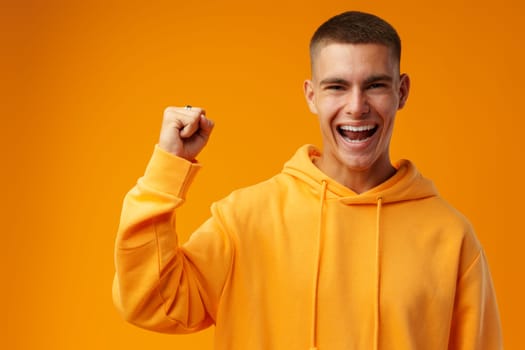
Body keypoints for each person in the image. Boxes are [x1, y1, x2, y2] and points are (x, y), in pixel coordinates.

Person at [113, 11, 503, 350]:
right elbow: (149, 302)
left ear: (401, 92)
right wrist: (168, 168)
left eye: (375, 85)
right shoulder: (244, 221)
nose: (356, 106)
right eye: (337, 86)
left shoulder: (452, 239)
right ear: (311, 95)